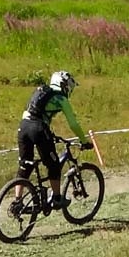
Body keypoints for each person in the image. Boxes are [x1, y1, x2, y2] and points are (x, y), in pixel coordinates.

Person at [19, 70, 95, 210]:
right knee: (53, 165)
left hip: (23, 126)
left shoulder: (41, 90)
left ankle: (17, 202)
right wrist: (84, 141)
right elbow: (73, 124)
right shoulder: (61, 98)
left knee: (25, 165)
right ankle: (57, 199)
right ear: (64, 85)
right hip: (38, 128)